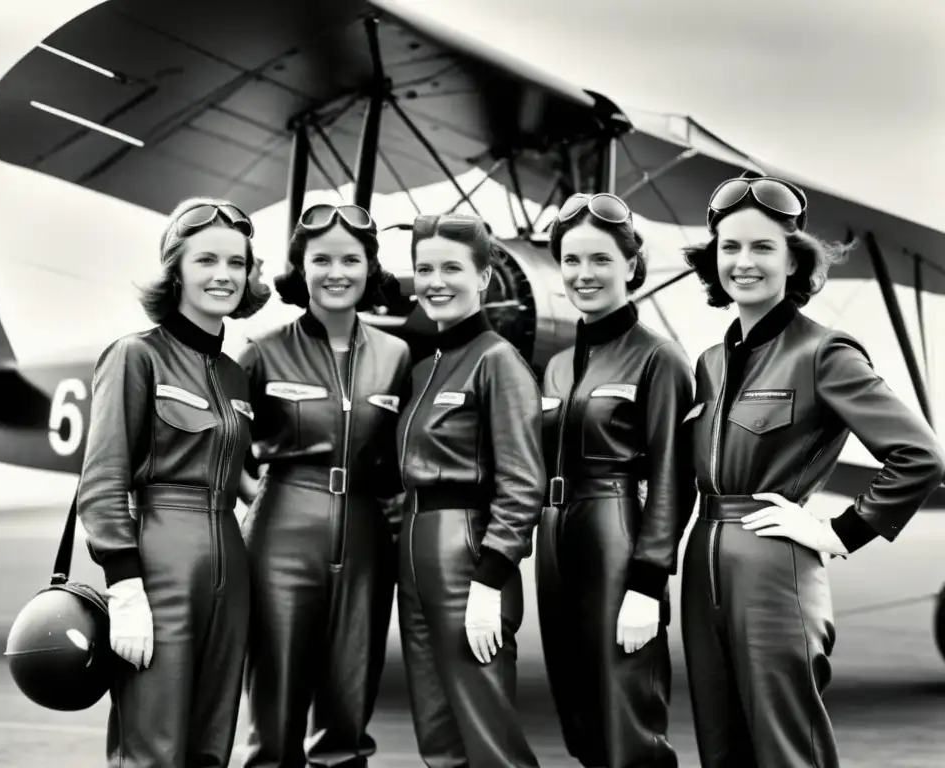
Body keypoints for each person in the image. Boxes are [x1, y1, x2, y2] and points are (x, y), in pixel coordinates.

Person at [681, 175, 945, 768]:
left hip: (774, 567)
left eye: (762, 248)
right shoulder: (711, 363)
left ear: (793, 261)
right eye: (730, 247)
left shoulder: (824, 352)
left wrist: (841, 531)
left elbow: (921, 456)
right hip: (703, 565)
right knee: (721, 746)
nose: (743, 262)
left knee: (787, 747)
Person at [77, 196, 269, 767]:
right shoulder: (136, 356)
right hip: (161, 563)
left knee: (212, 746)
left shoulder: (235, 374)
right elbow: (103, 477)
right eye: (206, 260)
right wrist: (125, 584)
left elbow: (245, 480)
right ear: (176, 270)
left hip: (229, 566)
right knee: (152, 746)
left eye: (237, 263)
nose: (224, 275)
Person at [237, 203, 411, 768]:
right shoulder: (262, 352)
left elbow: (401, 457)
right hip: (282, 530)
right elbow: (223, 451)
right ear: (300, 269)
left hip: (365, 536)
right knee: (276, 701)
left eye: (351, 259)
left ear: (370, 269)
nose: (337, 272)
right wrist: (257, 499)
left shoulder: (397, 355)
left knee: (348, 703)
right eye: (321, 260)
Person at [537, 193, 694, 768]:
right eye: (572, 260)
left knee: (628, 713)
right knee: (577, 714)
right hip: (554, 541)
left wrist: (649, 580)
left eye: (600, 259)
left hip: (617, 535)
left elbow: (675, 476)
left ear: (630, 265)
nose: (584, 274)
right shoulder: (555, 366)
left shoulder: (660, 358)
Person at [396, 213, 545, 768]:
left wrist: (491, 578)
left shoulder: (498, 361)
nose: (435, 280)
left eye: (452, 268)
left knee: (488, 731)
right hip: (414, 552)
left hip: (468, 553)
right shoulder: (424, 369)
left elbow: (523, 480)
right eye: (424, 268)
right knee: (437, 730)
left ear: (484, 277)